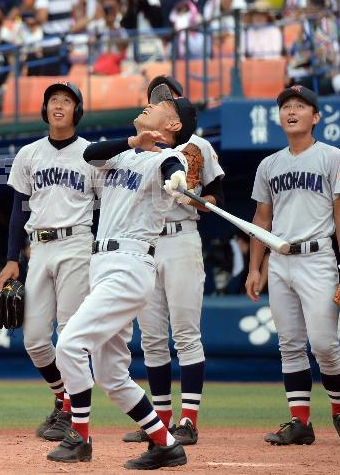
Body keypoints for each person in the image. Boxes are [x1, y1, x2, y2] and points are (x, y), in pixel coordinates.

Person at [46, 89, 197, 469]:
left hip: (129, 264)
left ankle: (79, 437)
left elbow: (171, 169)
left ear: (173, 125)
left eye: (162, 106)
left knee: (69, 345)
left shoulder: (169, 156)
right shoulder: (124, 153)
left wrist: (177, 181)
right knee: (113, 376)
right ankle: (165, 444)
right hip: (104, 264)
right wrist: (134, 141)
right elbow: (89, 154)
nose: (150, 104)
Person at [244, 86, 340, 445]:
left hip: (319, 257)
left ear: (316, 117)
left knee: (324, 344)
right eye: (286, 107)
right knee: (290, 345)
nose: (291, 111)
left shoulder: (332, 156)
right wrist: (254, 268)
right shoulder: (269, 164)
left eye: (300, 106)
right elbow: (261, 220)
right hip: (280, 260)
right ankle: (300, 423)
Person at [123, 76, 226, 447]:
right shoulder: (137, 146)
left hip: (182, 236)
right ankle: (159, 421)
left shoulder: (198, 145)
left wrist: (200, 200)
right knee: (151, 338)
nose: (162, 101)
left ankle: (188, 419)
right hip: (147, 242)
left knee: (185, 334)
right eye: (156, 98)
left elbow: (216, 193)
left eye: (169, 97)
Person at [0, 82, 96, 441]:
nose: (59, 105)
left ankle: (71, 410)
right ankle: (63, 397)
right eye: (54, 99)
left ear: (76, 110)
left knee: (70, 334)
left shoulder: (92, 154)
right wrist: (10, 259)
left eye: (66, 101)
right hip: (38, 248)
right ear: (45, 108)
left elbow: (105, 208)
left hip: (77, 243)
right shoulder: (29, 154)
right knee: (36, 339)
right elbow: (17, 212)